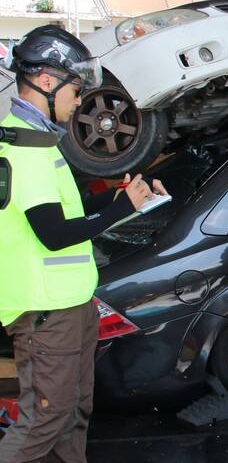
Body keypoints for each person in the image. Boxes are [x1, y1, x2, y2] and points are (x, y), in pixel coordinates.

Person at [0, 25, 166, 462]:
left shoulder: (36, 140)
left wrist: (120, 200)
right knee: (44, 419)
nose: (79, 101)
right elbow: (54, 233)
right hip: (45, 312)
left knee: (73, 412)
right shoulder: (24, 148)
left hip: (66, 305)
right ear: (46, 81)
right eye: (75, 90)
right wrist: (119, 208)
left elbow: (64, 214)